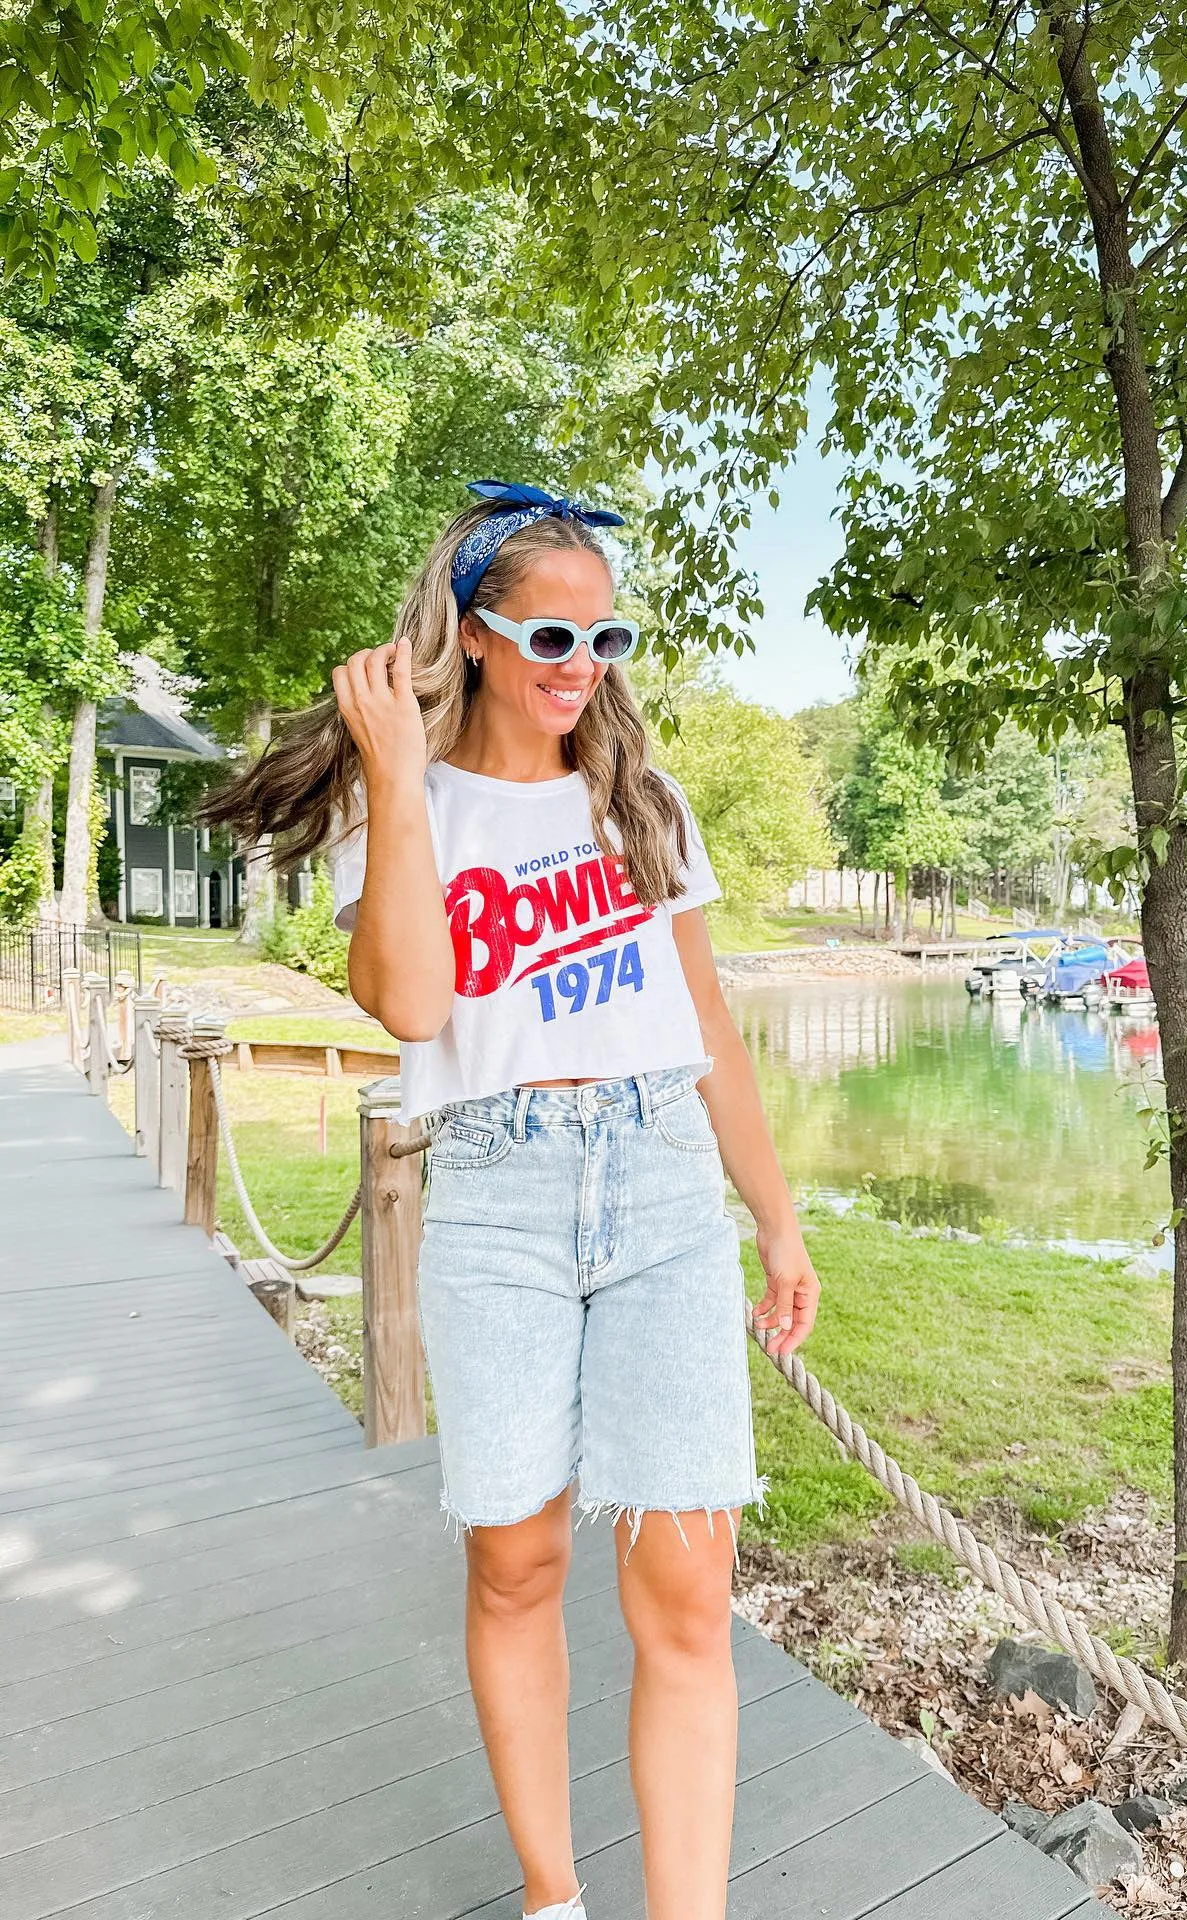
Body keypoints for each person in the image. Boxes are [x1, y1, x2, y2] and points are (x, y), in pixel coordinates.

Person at [202, 479, 821, 1920]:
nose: (579, 671)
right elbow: (408, 1000)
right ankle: (556, 1899)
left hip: (664, 1181)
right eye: (550, 636)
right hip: (496, 1188)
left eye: (606, 643)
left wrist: (777, 1220)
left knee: (683, 1587)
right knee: (518, 1563)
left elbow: (708, 1024)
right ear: (474, 633)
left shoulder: (642, 801)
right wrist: (395, 773)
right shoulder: (397, 800)